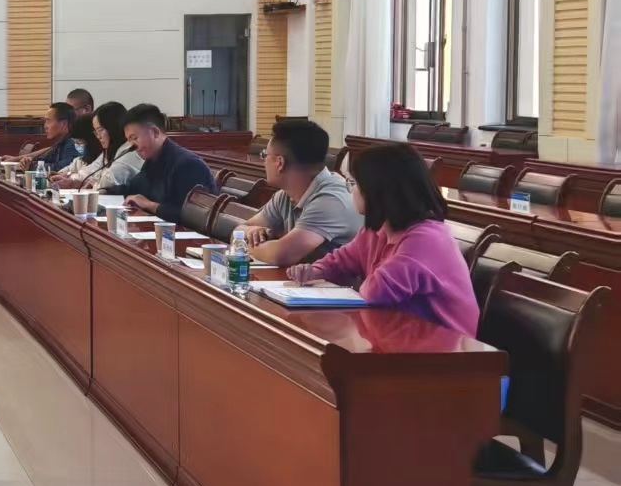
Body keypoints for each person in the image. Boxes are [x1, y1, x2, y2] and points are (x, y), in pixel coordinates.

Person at [288, 143, 479, 335]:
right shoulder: (377, 229)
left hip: (445, 346)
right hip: (399, 334)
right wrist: (314, 271)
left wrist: (354, 283)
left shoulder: (427, 239)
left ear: (378, 190)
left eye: (355, 183)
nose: (352, 191)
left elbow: (375, 292)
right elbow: (339, 262)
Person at [241, 120, 361, 267]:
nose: (264, 161)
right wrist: (251, 230)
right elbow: (239, 230)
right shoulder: (285, 195)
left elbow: (281, 255)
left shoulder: (330, 200)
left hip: (340, 281)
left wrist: (245, 245)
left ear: (280, 163)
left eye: (265, 155)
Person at [111, 104, 215, 225]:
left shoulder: (189, 165)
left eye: (134, 138)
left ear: (155, 132)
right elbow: (135, 187)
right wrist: (104, 191)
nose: (132, 146)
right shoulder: (153, 160)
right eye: (129, 140)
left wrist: (149, 205)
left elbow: (192, 217)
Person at [20, 102, 79, 170]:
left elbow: (64, 167)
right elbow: (45, 160)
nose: (45, 126)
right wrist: (28, 161)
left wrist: (32, 167)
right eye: (45, 121)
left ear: (64, 124)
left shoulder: (73, 144)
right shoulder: (60, 142)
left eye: (48, 121)